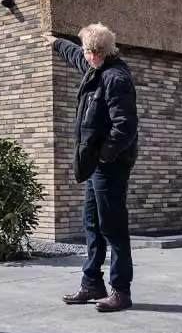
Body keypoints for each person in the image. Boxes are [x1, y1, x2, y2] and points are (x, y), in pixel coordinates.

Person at [45, 23, 138, 313]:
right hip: (97, 167)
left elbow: (126, 126)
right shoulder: (96, 70)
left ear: (95, 53)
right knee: (92, 224)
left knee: (113, 227)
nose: (83, 56)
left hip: (109, 166)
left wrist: (104, 156)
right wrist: (55, 42)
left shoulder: (115, 79)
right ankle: (92, 284)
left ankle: (121, 291)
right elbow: (74, 54)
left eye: (86, 51)